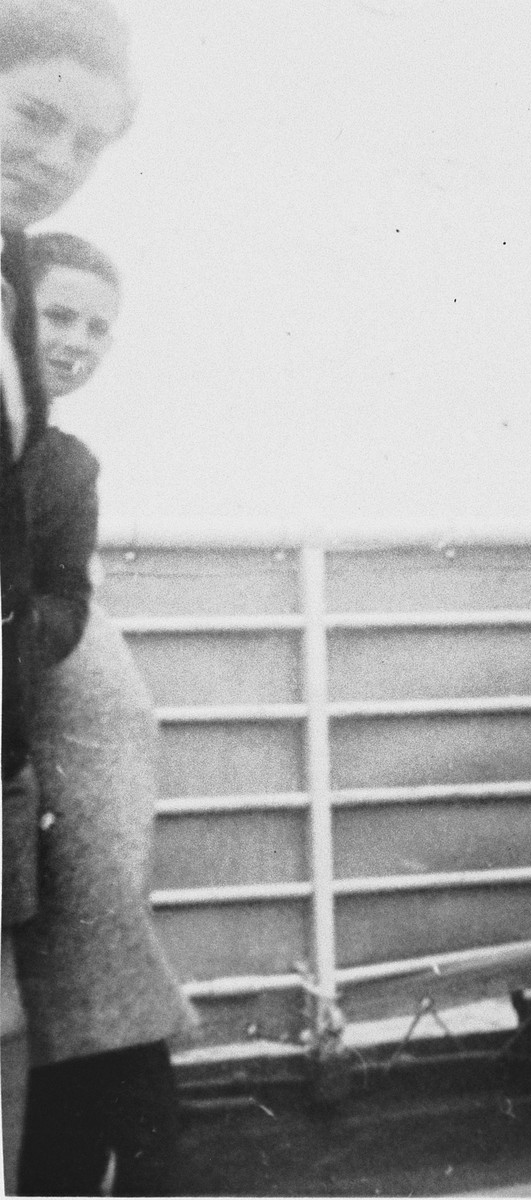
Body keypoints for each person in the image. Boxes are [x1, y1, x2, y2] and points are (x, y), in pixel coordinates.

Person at [15, 232, 194, 1196]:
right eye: (57, 316)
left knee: (90, 989)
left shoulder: (63, 463)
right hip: (48, 739)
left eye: (99, 328)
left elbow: (56, 608)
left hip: (78, 754)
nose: (80, 342)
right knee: (75, 1000)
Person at [1, 0, 134, 1186]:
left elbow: (60, 600)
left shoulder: (65, 460)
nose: (53, 158)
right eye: (34, 117)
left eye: (82, 144)